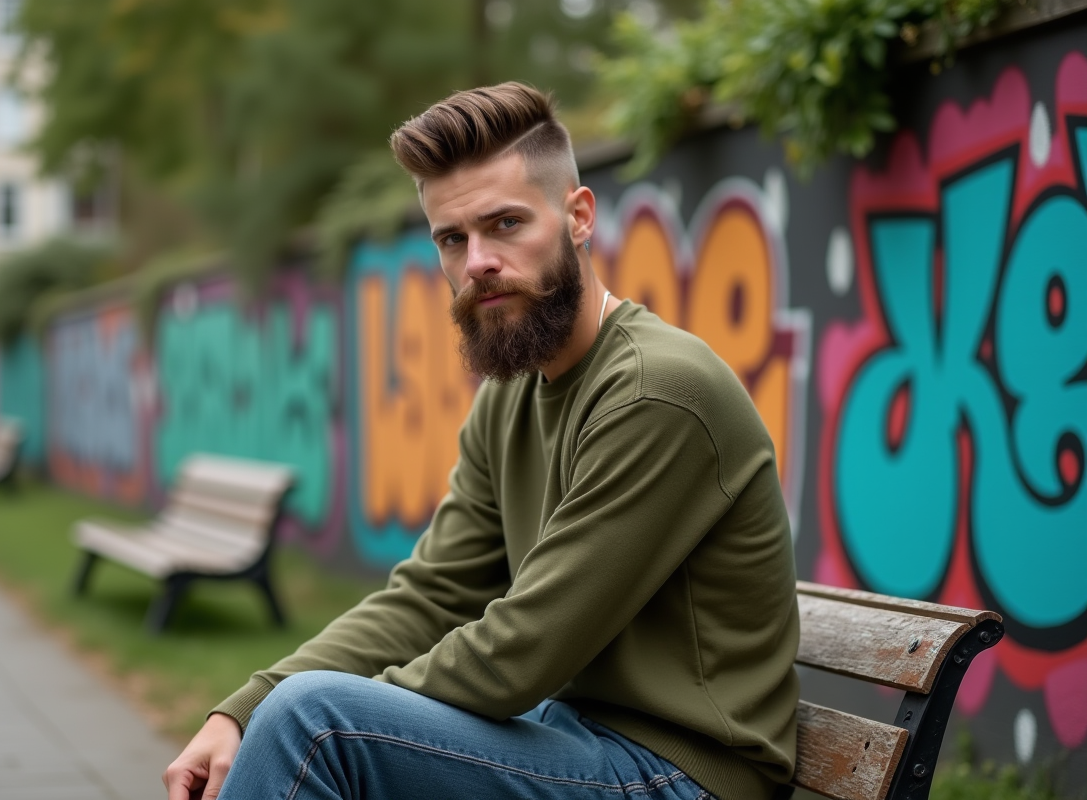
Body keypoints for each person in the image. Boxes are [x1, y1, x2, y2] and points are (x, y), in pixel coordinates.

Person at [164, 83, 799, 800]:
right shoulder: (511, 395)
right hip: (577, 736)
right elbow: (431, 595)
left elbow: (520, 654)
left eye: (505, 225)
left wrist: (312, 712)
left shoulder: (657, 392)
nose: (477, 264)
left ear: (578, 217)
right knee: (300, 717)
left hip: (686, 774)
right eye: (452, 238)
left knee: (315, 729)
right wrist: (246, 705)